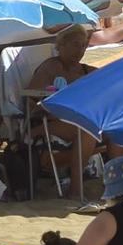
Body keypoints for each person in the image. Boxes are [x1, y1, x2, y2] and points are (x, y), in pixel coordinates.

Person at [24, 24, 100, 200]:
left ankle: (118, 183)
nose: (80, 50)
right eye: (75, 44)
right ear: (61, 45)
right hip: (47, 123)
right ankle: (75, 190)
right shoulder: (50, 68)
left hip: (79, 122)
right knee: (86, 129)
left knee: (114, 130)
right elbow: (30, 99)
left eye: (83, 45)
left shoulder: (88, 71)